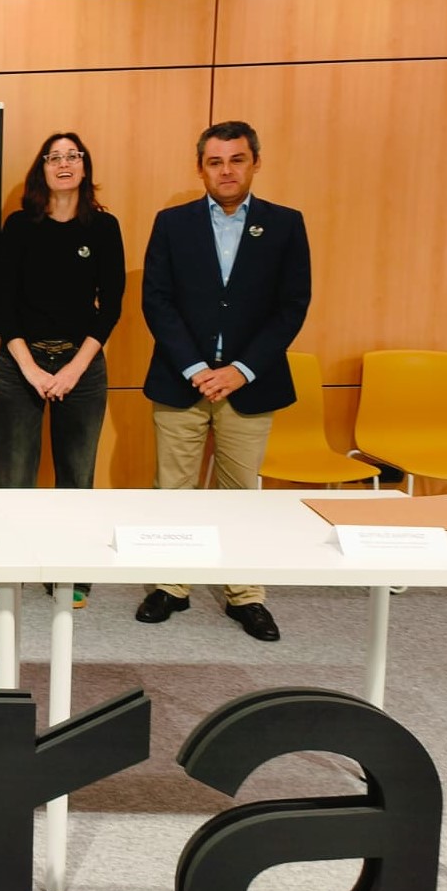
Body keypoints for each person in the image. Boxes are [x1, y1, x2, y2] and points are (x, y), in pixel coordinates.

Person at [136, 120, 311, 641]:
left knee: (241, 495)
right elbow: (156, 301)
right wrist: (196, 368)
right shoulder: (172, 223)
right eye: (215, 162)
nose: (226, 170)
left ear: (256, 162)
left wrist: (239, 370)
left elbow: (292, 306)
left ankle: (245, 595)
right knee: (174, 490)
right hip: (181, 380)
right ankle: (172, 586)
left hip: (250, 384)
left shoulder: (285, 224)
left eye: (237, 160)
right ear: (201, 168)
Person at [0, 132, 125, 608]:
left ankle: (70, 571)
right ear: (41, 168)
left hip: (81, 366)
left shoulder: (103, 228)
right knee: (10, 477)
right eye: (54, 157)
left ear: (85, 166)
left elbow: (111, 306)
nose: (64, 163)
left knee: (76, 478)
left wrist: (72, 370)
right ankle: (5, 569)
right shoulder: (20, 226)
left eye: (72, 156)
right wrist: (31, 369)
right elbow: (2, 302)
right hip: (20, 364)